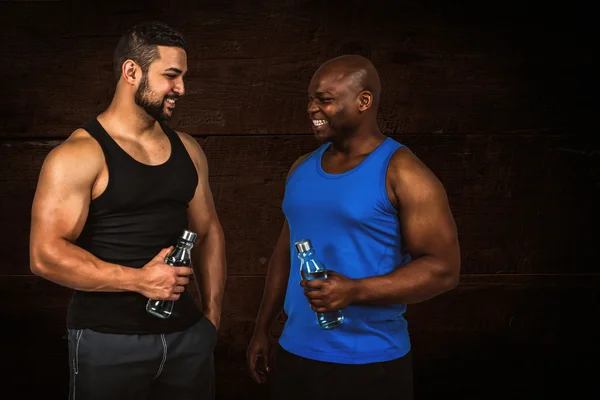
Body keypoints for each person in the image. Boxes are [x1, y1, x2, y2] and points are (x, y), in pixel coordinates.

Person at [29, 21, 227, 400]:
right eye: (171, 76)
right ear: (131, 71)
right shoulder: (78, 155)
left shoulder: (188, 149)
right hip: (108, 342)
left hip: (187, 339)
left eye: (183, 76)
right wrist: (139, 280)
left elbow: (209, 230)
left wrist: (212, 321)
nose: (181, 89)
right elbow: (45, 255)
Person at [246, 55, 461, 400]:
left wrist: (354, 291)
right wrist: (262, 328)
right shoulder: (301, 168)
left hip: (370, 363)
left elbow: (443, 270)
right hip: (295, 354)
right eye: (310, 99)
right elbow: (285, 253)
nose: (312, 109)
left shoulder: (403, 172)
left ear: (363, 101)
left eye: (325, 100)